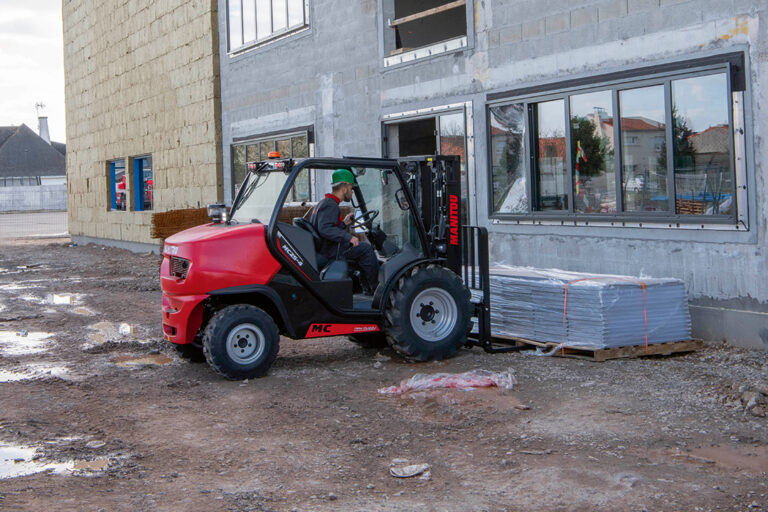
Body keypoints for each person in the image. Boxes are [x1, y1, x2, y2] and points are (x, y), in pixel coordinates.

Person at [311, 169, 379, 293]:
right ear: (345, 187)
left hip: (327, 247)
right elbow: (325, 228)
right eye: (351, 188)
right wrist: (349, 237)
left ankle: (366, 289)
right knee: (366, 250)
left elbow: (328, 227)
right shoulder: (330, 205)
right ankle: (376, 290)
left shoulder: (325, 203)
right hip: (330, 251)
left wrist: (343, 224)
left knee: (361, 250)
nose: (352, 192)